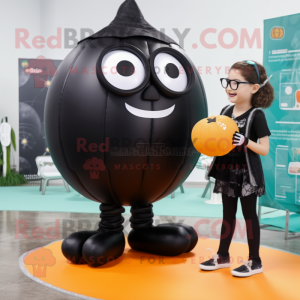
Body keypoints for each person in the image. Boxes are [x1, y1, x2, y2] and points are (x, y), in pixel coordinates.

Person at [199, 60, 275, 277]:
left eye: (236, 83)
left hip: (247, 175)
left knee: (250, 216)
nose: (230, 87)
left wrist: (246, 142)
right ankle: (223, 255)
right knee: (227, 215)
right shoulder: (225, 111)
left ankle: (255, 261)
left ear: (254, 87)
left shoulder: (256, 115)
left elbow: (264, 150)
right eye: (228, 81)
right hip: (227, 171)